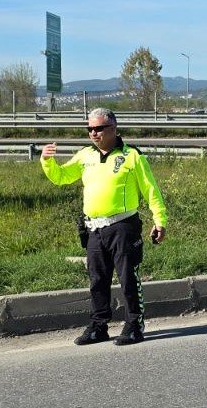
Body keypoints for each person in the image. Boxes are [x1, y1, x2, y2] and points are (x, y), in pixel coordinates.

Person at [42, 108, 168, 346]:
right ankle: (99, 326)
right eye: (89, 129)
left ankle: (133, 324)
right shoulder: (85, 156)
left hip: (123, 226)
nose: (93, 133)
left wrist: (159, 221)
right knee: (97, 280)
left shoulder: (132, 156)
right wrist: (47, 161)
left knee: (127, 277)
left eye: (99, 128)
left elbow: (151, 190)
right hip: (94, 229)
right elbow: (61, 177)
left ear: (114, 128)